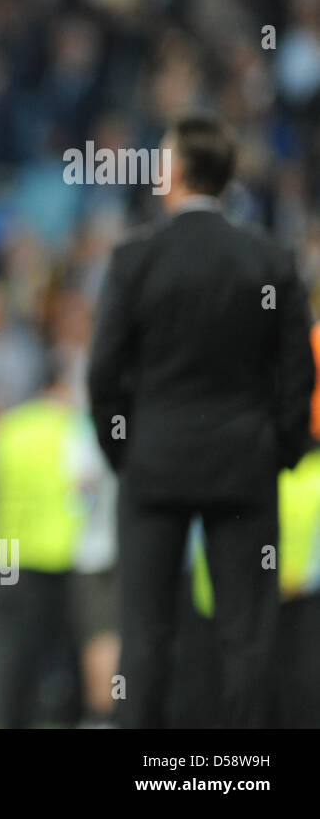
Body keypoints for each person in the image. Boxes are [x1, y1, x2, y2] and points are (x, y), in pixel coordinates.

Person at [87, 115, 315, 729]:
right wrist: (282, 449)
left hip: (153, 467)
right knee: (248, 636)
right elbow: (299, 374)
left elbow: (104, 374)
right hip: (244, 465)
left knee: (145, 637)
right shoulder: (269, 258)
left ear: (177, 172)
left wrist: (125, 455)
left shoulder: (136, 259)